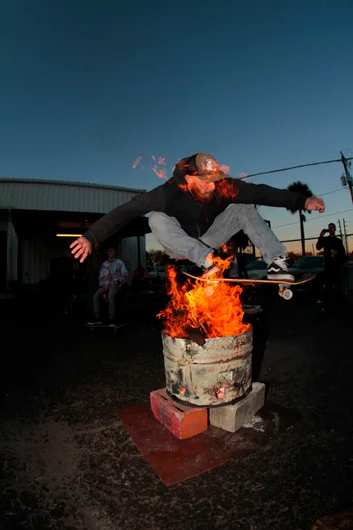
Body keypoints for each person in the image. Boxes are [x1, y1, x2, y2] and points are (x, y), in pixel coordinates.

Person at [70, 153, 325, 282]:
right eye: (207, 183)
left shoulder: (223, 186)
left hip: (210, 237)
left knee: (244, 205)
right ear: (190, 179)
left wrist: (302, 200)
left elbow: (262, 192)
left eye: (215, 181)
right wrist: (92, 236)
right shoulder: (168, 193)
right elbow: (125, 211)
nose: (214, 188)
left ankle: (276, 263)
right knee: (155, 218)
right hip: (180, 245)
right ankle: (206, 262)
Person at [88, 247, 128, 325]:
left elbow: (125, 275)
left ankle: (112, 318)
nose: (112, 253)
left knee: (110, 296)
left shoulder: (120, 263)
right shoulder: (104, 264)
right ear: (107, 252)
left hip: (115, 284)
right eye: (110, 251)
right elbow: (101, 277)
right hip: (105, 284)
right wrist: (101, 287)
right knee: (95, 297)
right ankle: (97, 318)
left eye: (113, 251)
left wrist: (118, 281)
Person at [316, 223, 346, 311]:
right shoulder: (325, 240)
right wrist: (321, 236)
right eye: (329, 228)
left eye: (332, 227)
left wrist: (337, 253)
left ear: (335, 229)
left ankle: (339, 305)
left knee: (338, 287)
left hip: (336, 267)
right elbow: (318, 247)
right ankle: (327, 306)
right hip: (328, 267)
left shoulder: (338, 241)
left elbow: (343, 254)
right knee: (327, 287)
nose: (331, 229)